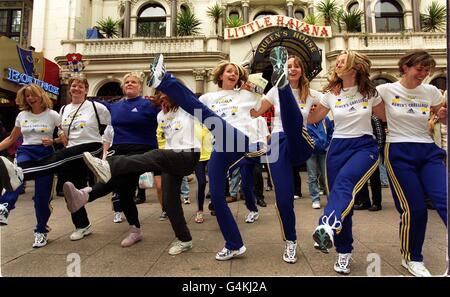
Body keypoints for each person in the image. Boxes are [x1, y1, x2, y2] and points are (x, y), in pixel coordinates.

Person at [64, 89, 201, 255]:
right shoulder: (160, 116)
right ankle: (185, 240)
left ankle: (109, 165)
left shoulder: (189, 109)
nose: (165, 96)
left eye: (168, 93)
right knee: (169, 203)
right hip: (170, 158)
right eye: (162, 94)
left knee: (155, 155)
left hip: (187, 154)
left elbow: (187, 96)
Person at [0, 76, 111, 241]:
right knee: (70, 189)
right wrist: (54, 140)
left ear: (86, 89)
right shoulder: (64, 109)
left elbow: (111, 128)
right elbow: (63, 136)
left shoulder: (97, 107)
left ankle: (21, 175)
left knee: (52, 162)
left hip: (89, 147)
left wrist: (105, 154)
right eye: (73, 85)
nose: (76, 88)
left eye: (80, 86)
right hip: (70, 151)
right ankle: (83, 225)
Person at [308, 50, 385, 275]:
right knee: (344, 203)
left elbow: (385, 117)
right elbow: (313, 119)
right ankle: (343, 253)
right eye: (337, 62)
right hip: (337, 148)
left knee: (345, 184)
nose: (337, 64)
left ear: (355, 67)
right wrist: (303, 102)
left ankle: (327, 224)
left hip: (364, 147)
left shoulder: (371, 92)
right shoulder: (331, 93)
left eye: (342, 61)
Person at [64, 72, 160, 247]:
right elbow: (86, 102)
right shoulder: (114, 107)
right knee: (124, 191)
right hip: (118, 149)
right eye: (127, 82)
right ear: (122, 87)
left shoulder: (149, 105)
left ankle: (86, 194)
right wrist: (77, 85)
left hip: (142, 150)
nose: (130, 84)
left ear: (140, 86)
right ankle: (135, 230)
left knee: (116, 176)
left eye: (134, 82)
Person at [377, 50, 447, 277]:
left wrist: (444, 114)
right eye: (420, 69)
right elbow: (358, 96)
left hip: (428, 150)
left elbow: (442, 115)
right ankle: (412, 258)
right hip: (398, 150)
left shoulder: (431, 91)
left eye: (428, 70)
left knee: (445, 200)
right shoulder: (385, 90)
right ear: (405, 67)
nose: (424, 74)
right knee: (414, 209)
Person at [251, 50, 317, 263]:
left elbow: (329, 107)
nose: (292, 69)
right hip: (278, 143)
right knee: (284, 199)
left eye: (295, 66)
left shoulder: (313, 94)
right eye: (287, 67)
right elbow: (254, 112)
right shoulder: (272, 94)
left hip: (299, 139)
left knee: (294, 123)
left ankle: (285, 91)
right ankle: (290, 240)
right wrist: (249, 92)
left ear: (302, 70)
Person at [0, 84, 62, 247]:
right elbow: (12, 139)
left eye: (33, 95)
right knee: (17, 175)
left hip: (46, 154)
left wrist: (54, 140)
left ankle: (41, 231)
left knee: (41, 199)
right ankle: (4, 206)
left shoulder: (53, 115)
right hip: (26, 151)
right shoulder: (22, 115)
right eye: (27, 96)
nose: (30, 98)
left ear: (41, 95)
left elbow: (65, 137)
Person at [354, 115, 385, 212]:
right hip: (360, 152)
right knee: (362, 178)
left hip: (372, 152)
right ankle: (365, 202)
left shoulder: (374, 119)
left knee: (374, 179)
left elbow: (380, 136)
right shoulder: (358, 118)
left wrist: (377, 151)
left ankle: (377, 203)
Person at [306, 105, 334, 209]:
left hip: (324, 152)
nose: (313, 108)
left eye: (315, 106)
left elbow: (331, 132)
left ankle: (331, 198)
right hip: (310, 153)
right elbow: (302, 135)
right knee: (312, 176)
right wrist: (308, 146)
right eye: (311, 106)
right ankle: (315, 199)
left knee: (326, 175)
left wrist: (327, 145)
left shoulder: (325, 119)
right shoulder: (305, 120)